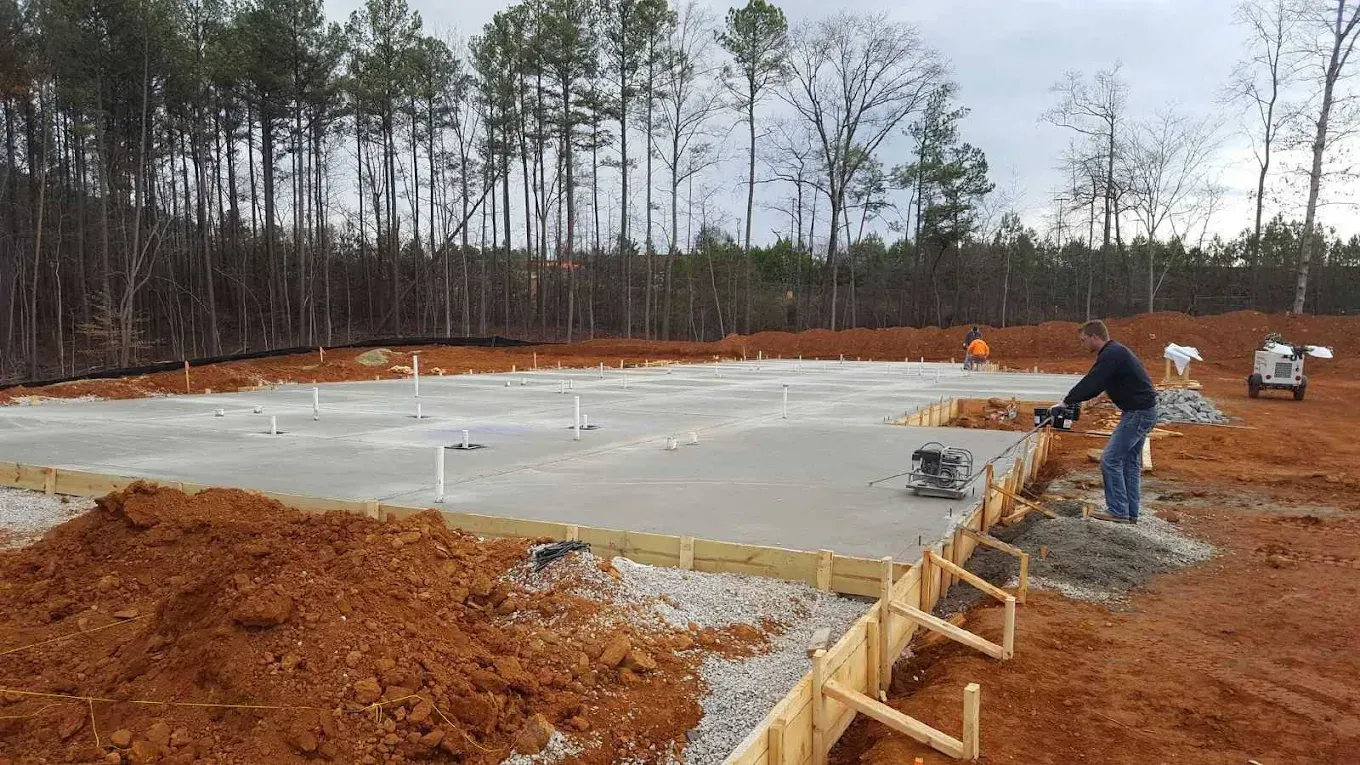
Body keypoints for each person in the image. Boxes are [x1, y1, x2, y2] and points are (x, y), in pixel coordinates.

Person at [1051, 320, 1158, 524]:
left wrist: (1067, 401)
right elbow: (1101, 382)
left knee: (1110, 459)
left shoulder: (1111, 355)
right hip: (1142, 411)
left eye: (1084, 340)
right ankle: (1130, 513)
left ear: (1094, 337)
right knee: (1129, 463)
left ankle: (1118, 510)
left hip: (1138, 413)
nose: (1083, 345)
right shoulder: (1115, 352)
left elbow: (1093, 381)